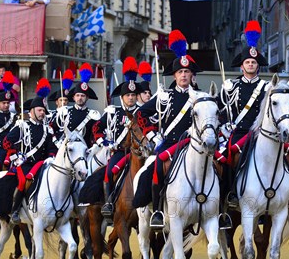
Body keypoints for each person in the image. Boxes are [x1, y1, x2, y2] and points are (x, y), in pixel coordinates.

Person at [134, 29, 202, 228]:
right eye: (180, 72)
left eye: (187, 71)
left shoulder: (200, 96)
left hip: (194, 143)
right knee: (156, 168)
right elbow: (141, 115)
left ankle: (221, 208)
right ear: (175, 75)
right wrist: (153, 135)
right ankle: (156, 210)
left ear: (192, 75)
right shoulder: (165, 96)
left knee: (218, 166)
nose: (183, 75)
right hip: (172, 143)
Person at [219, 20, 270, 208]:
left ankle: (285, 195)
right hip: (238, 133)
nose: (250, 65)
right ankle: (229, 195)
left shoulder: (266, 87)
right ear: (241, 66)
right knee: (226, 161)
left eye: (253, 62)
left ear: (258, 66)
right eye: (247, 62)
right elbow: (219, 109)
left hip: (260, 134)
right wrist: (224, 124)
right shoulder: (231, 86)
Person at [95, 57, 142, 217]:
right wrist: (105, 142)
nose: (131, 98)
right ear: (122, 97)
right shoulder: (112, 111)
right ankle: (109, 202)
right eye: (127, 95)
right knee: (109, 172)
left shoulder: (142, 112)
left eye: (133, 95)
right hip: (121, 151)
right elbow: (97, 128)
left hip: (140, 152)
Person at [3, 84, 56, 223]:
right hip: (25, 163)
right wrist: (15, 156)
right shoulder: (22, 126)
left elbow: (51, 147)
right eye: (39, 110)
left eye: (43, 111)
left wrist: (51, 157)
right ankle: (14, 210)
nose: (42, 113)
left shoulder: (47, 129)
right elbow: (7, 142)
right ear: (31, 111)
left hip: (42, 163)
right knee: (23, 181)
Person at [51, 63, 100, 146]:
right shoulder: (65, 113)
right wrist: (56, 142)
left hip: (85, 150)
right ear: (73, 97)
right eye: (77, 95)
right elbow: (51, 129)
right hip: (67, 150)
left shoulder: (93, 115)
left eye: (82, 95)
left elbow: (97, 133)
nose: (80, 98)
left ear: (87, 98)